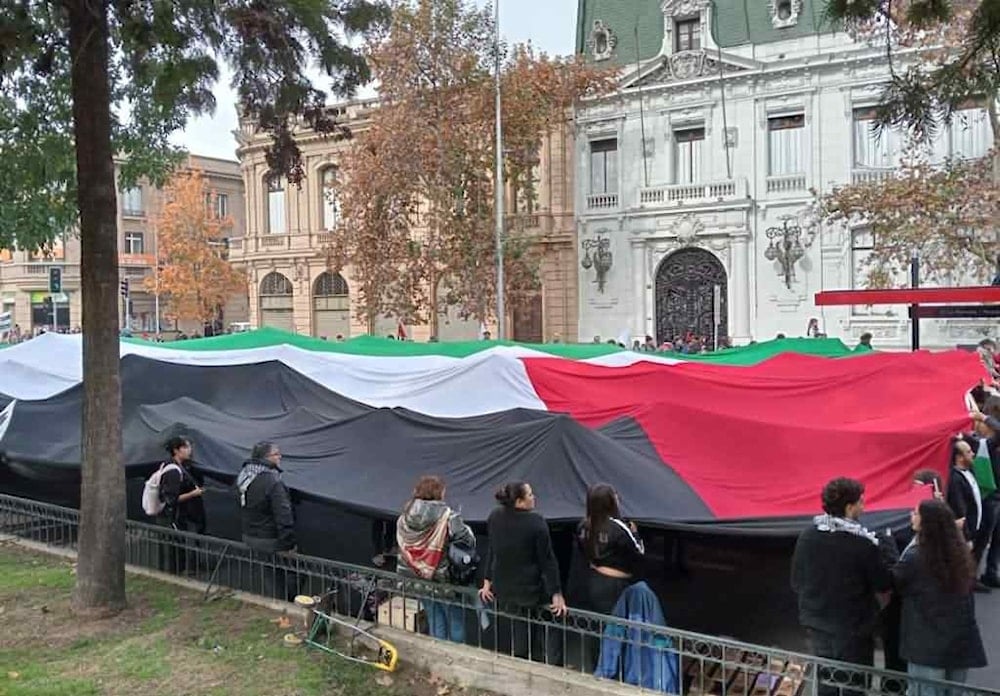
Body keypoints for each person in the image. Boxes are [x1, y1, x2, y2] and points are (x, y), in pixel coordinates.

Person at [790, 478, 899, 696]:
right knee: (853, 684)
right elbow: (884, 583)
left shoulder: (808, 535)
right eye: (861, 502)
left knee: (826, 680)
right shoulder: (864, 544)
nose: (864, 507)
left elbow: (796, 579)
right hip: (853, 629)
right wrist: (889, 548)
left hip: (817, 622)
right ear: (849, 508)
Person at [893, 500, 986, 696]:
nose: (911, 515)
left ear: (927, 523)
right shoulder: (959, 555)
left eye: (916, 513)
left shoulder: (915, 557)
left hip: (926, 646)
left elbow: (892, 581)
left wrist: (886, 546)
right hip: (959, 643)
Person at [479, 482, 566, 665]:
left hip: (507, 588)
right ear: (519, 501)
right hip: (531, 589)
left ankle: (521, 664)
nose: (533, 497)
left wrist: (487, 581)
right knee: (552, 624)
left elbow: (493, 550)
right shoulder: (536, 522)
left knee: (520, 630)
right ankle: (552, 667)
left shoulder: (495, 517)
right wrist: (556, 592)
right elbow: (547, 560)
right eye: (530, 495)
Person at [396, 475, 475, 644]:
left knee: (434, 618)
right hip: (443, 578)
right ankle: (456, 659)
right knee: (455, 620)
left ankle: (437, 656)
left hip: (416, 578)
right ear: (438, 492)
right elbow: (466, 540)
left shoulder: (404, 517)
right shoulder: (448, 516)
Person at [236, 441, 297, 600]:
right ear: (267, 457)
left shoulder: (245, 476)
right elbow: (284, 515)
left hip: (251, 535)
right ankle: (287, 604)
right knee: (294, 571)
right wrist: (288, 544)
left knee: (269, 574)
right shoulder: (272, 481)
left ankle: (278, 602)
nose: (280, 457)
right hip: (270, 538)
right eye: (276, 454)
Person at [573, 484, 645, 616]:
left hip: (594, 580)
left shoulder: (583, 525)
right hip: (616, 584)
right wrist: (635, 534)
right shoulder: (618, 527)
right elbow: (639, 552)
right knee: (617, 625)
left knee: (602, 623)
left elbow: (582, 551)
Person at [158, 436, 206, 575]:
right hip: (173, 517)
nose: (189, 450)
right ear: (176, 450)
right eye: (186, 447)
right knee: (173, 549)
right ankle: (173, 573)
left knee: (177, 547)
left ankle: (178, 570)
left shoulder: (181, 467)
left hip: (178, 516)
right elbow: (171, 499)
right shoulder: (173, 470)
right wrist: (193, 494)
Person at [968, 409, 1000, 587]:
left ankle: (991, 572)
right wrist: (984, 417)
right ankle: (971, 576)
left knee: (996, 539)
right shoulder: (977, 443)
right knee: (982, 538)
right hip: (988, 497)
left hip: (996, 496)